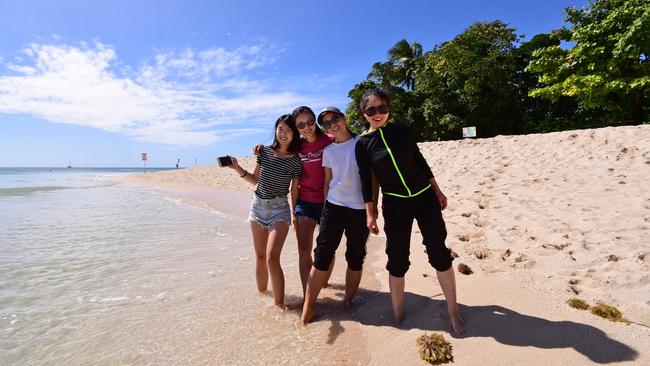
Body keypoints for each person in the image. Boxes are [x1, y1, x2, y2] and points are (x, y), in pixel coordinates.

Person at [355, 89, 467, 336]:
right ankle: (398, 314)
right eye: (371, 110)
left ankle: (453, 311)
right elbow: (367, 181)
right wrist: (370, 213)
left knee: (438, 252)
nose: (377, 114)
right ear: (364, 114)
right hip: (395, 204)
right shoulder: (363, 144)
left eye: (382, 108)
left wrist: (438, 190)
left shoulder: (401, 131)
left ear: (389, 109)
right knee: (397, 259)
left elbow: (420, 160)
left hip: (424, 197)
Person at [299, 106, 369, 325]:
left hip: (359, 209)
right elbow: (328, 181)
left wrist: (372, 209)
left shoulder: (362, 143)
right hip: (333, 207)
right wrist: (326, 208)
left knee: (355, 257)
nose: (332, 125)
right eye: (326, 123)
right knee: (321, 256)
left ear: (344, 118)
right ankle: (307, 309)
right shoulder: (328, 151)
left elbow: (372, 179)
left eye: (335, 119)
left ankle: (348, 302)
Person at [255, 106, 335, 296]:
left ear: (315, 120)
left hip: (329, 202)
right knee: (303, 250)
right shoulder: (297, 146)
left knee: (325, 250)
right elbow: (280, 153)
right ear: (296, 127)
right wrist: (260, 149)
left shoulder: (330, 141)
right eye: (300, 124)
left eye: (309, 122)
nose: (306, 127)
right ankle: (308, 295)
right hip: (304, 203)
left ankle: (322, 283)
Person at [227, 114, 302, 308]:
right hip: (258, 207)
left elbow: (294, 190)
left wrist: (295, 215)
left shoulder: (296, 161)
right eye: (280, 129)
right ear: (275, 131)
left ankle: (279, 306)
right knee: (260, 257)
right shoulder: (265, 152)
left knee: (271, 258)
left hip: (280, 210)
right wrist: (237, 168)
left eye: (288, 130)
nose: (283, 134)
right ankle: (262, 296)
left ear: (294, 134)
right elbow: (255, 180)